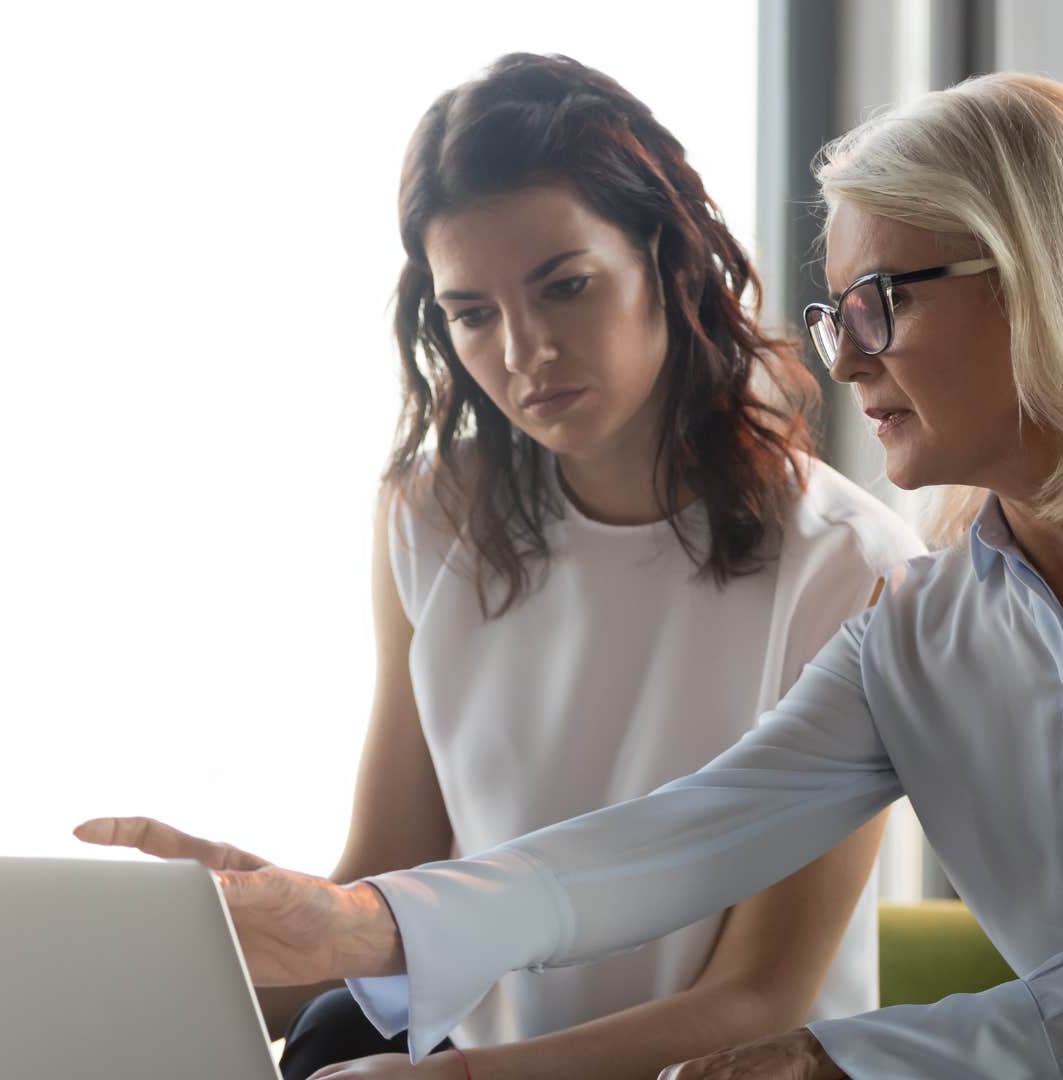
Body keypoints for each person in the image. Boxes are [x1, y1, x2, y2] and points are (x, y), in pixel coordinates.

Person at [82, 72, 1063, 1079]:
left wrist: (835, 1059)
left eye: (881, 301)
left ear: (1042, 276)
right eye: (832, 304)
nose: (841, 355)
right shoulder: (923, 620)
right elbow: (669, 839)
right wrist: (363, 928)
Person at [78, 53, 923, 1080]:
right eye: (472, 313)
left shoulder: (850, 566)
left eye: (565, 287)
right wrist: (133, 990)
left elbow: (758, 1000)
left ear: (668, 259)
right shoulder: (436, 516)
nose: (524, 352)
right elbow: (390, 886)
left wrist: (460, 1078)